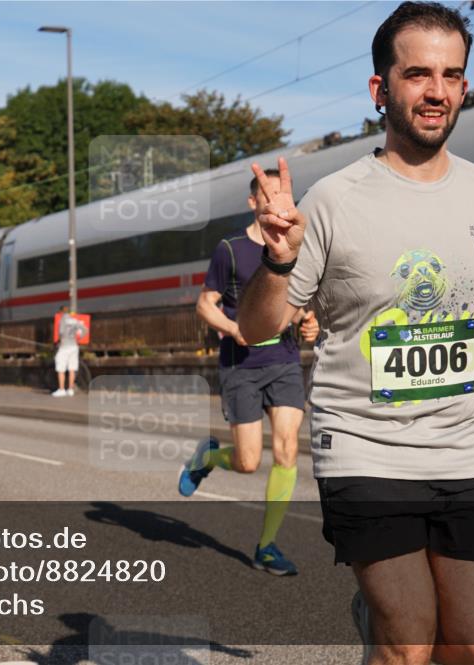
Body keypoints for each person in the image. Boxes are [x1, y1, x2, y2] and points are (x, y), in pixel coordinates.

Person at [237, 3, 474, 664]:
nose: (436, 91)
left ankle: (379, 616)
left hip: (463, 446)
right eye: (418, 74)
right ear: (382, 90)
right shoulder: (334, 199)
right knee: (410, 640)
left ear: (465, 87)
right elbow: (257, 326)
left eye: (451, 75)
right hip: (364, 446)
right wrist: (278, 258)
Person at [180, 175, 319, 576]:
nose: (276, 199)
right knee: (246, 462)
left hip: (285, 360)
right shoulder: (230, 249)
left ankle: (267, 546)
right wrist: (233, 329)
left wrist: (309, 323)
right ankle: (208, 456)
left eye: (281, 193)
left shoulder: (296, 245)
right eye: (268, 194)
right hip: (241, 364)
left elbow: (302, 301)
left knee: (288, 447)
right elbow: (205, 305)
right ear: (252, 201)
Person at [52, 305, 86, 397]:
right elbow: (84, 329)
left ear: (61, 312)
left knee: (61, 368)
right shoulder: (74, 320)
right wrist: (79, 338)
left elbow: (61, 333)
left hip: (64, 346)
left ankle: (62, 389)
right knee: (72, 368)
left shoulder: (62, 319)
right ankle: (70, 389)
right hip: (74, 346)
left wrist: (58, 342)